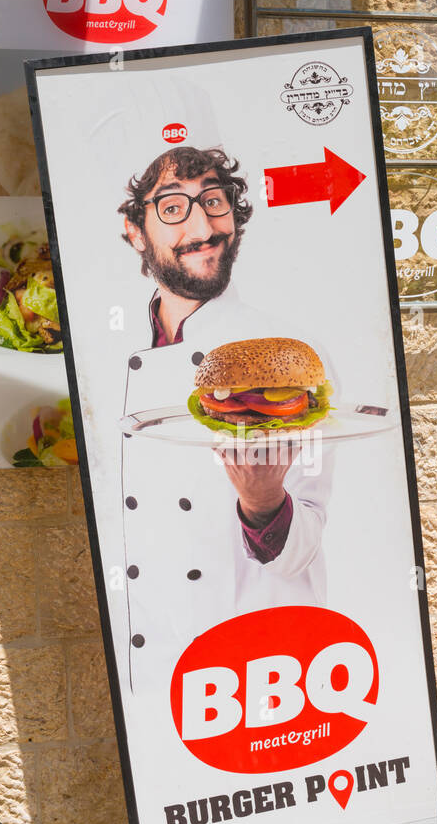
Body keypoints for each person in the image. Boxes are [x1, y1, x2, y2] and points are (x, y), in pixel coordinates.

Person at [117, 144, 332, 691]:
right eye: (171, 207)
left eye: (214, 201)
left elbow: (306, 542)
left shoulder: (288, 358)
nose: (202, 224)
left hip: (255, 656)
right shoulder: (105, 353)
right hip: (144, 648)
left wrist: (264, 504)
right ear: (134, 230)